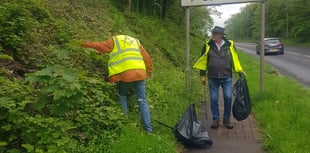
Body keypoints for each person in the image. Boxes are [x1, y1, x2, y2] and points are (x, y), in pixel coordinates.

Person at [82, 34, 153, 132]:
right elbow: (147, 58)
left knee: (122, 96)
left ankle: (124, 125)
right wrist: (150, 71)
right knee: (142, 101)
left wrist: (83, 44)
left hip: (124, 74)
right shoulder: (136, 42)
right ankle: (148, 130)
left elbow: (99, 47)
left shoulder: (115, 40)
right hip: (140, 73)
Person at [193, 26, 244, 129]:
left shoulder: (229, 45)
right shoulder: (208, 45)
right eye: (213, 33)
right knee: (214, 99)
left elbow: (235, 58)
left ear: (220, 35)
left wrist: (240, 71)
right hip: (212, 77)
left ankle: (226, 119)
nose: (213, 36)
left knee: (228, 97)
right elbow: (203, 61)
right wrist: (202, 75)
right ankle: (216, 119)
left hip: (226, 77)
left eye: (215, 34)